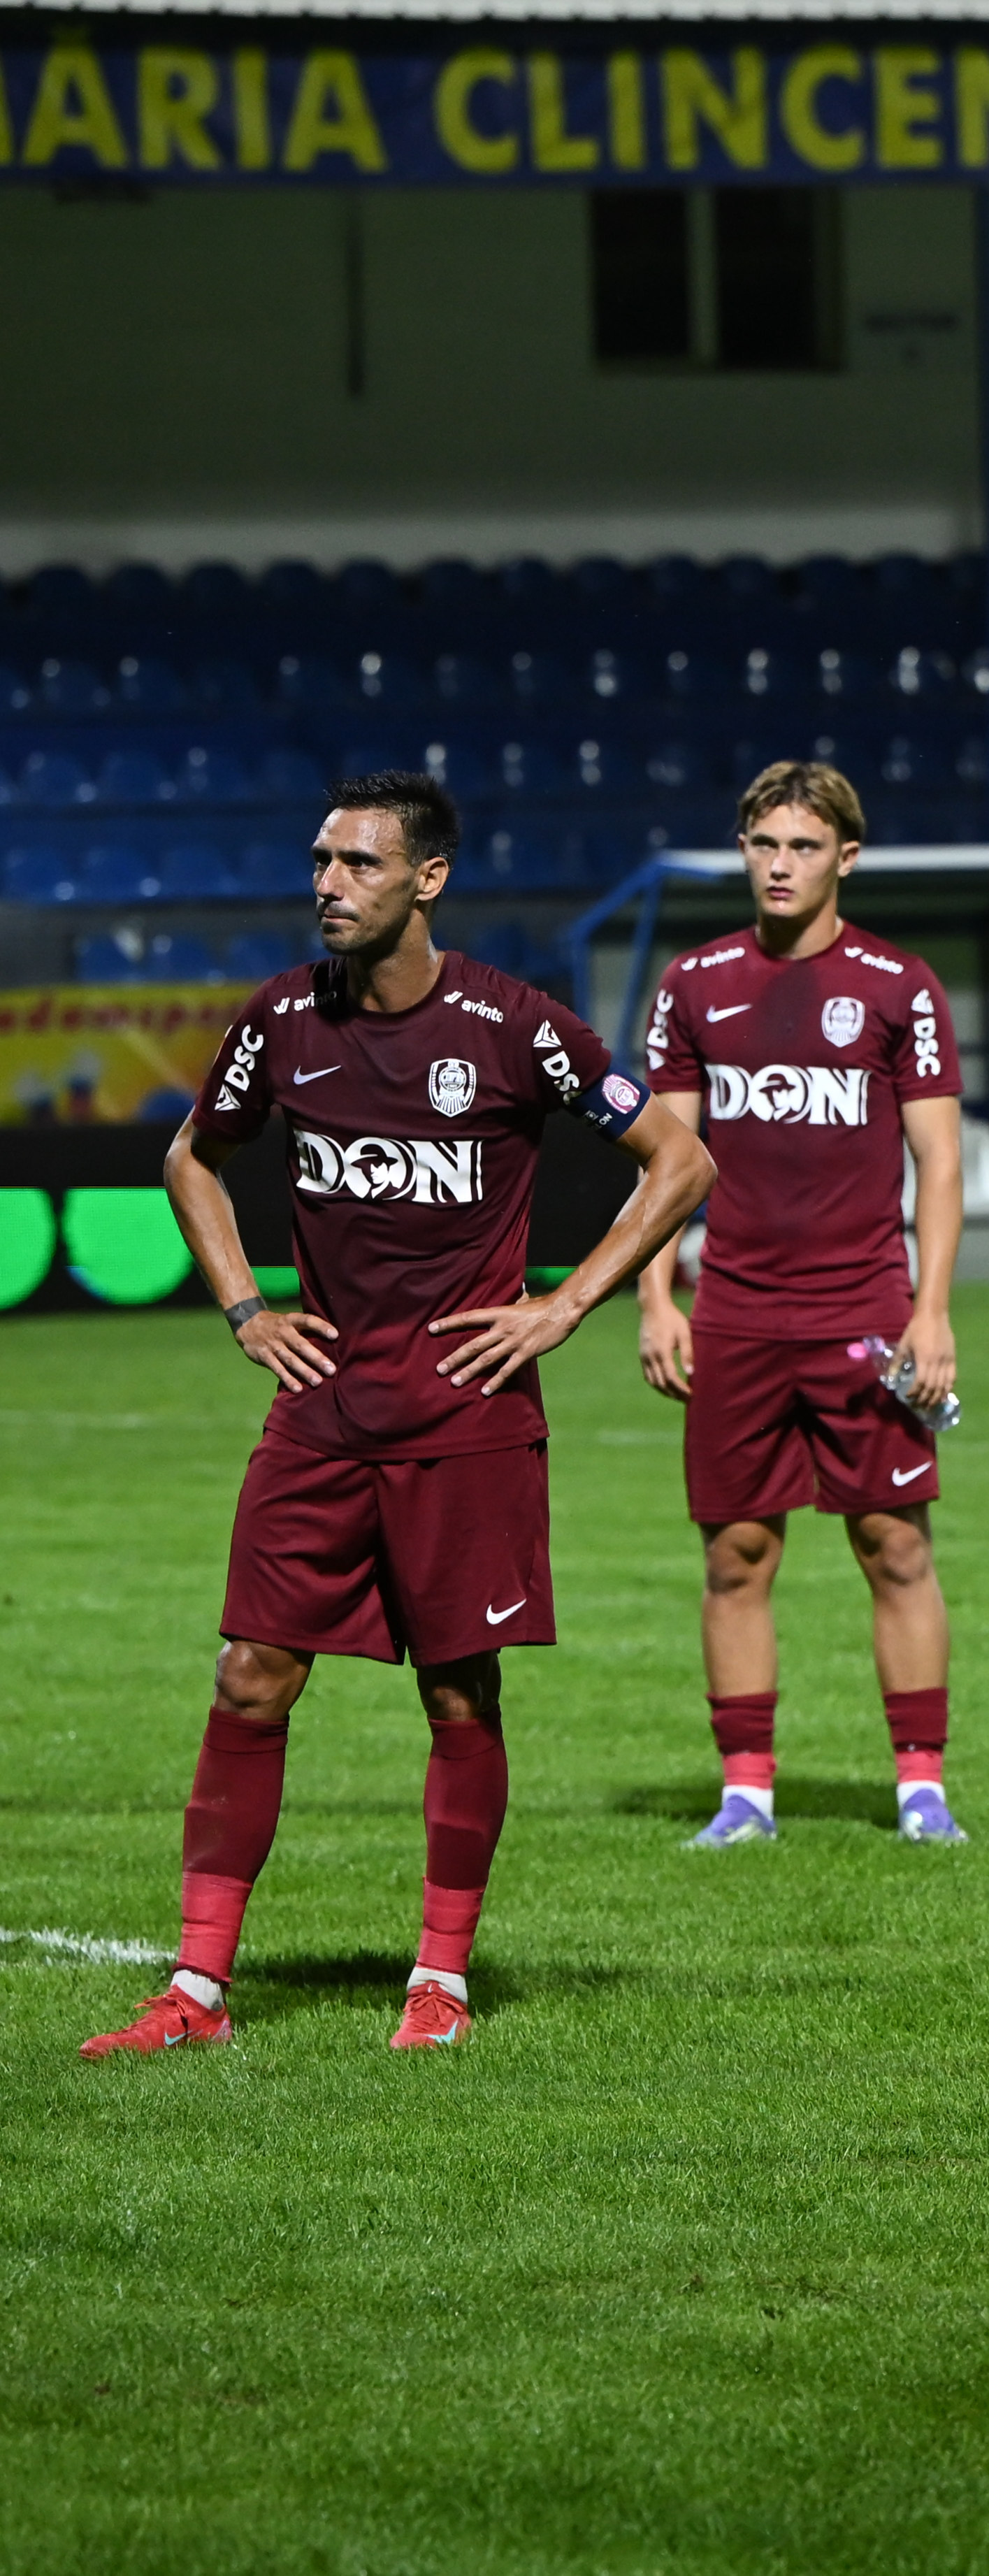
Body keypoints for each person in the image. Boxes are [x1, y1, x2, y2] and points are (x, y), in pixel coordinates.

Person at [82, 772, 714, 2058]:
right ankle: (196, 1989)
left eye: (359, 863)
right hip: (319, 1415)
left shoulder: (514, 1025)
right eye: (321, 860)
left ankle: (441, 1979)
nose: (329, 884)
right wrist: (244, 1306)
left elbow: (682, 1159)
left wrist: (565, 1306)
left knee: (460, 1698)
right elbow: (191, 1157)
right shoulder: (281, 1020)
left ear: (428, 879)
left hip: (466, 1419)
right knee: (249, 1678)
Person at [634, 761, 973, 1849]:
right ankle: (746, 1796)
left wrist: (932, 1309)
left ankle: (921, 1790)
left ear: (846, 857)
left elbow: (940, 1162)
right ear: (744, 850)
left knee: (894, 1543)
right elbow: (665, 1160)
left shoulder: (899, 985)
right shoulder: (694, 984)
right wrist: (656, 1296)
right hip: (733, 1315)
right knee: (735, 1553)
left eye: (804, 846)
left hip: (865, 1313)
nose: (781, 865)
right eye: (765, 844)